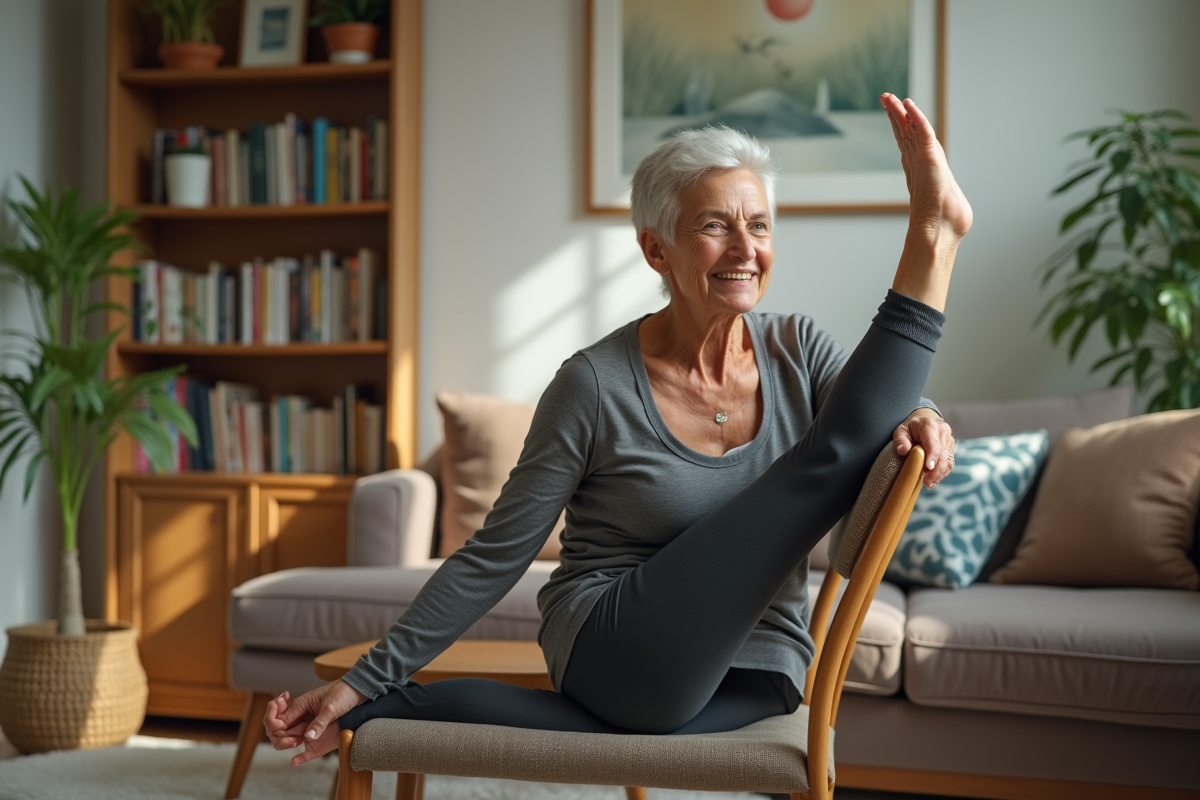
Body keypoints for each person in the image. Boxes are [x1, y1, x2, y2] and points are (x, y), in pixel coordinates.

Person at [266, 93, 971, 766]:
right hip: (613, 643)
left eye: (758, 225)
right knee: (826, 463)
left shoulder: (799, 348)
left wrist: (923, 416)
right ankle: (933, 237)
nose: (745, 248)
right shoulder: (594, 384)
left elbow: (867, 424)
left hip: (758, 671)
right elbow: (496, 554)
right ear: (657, 250)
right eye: (714, 225)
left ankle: (384, 715)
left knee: (833, 460)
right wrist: (369, 673)